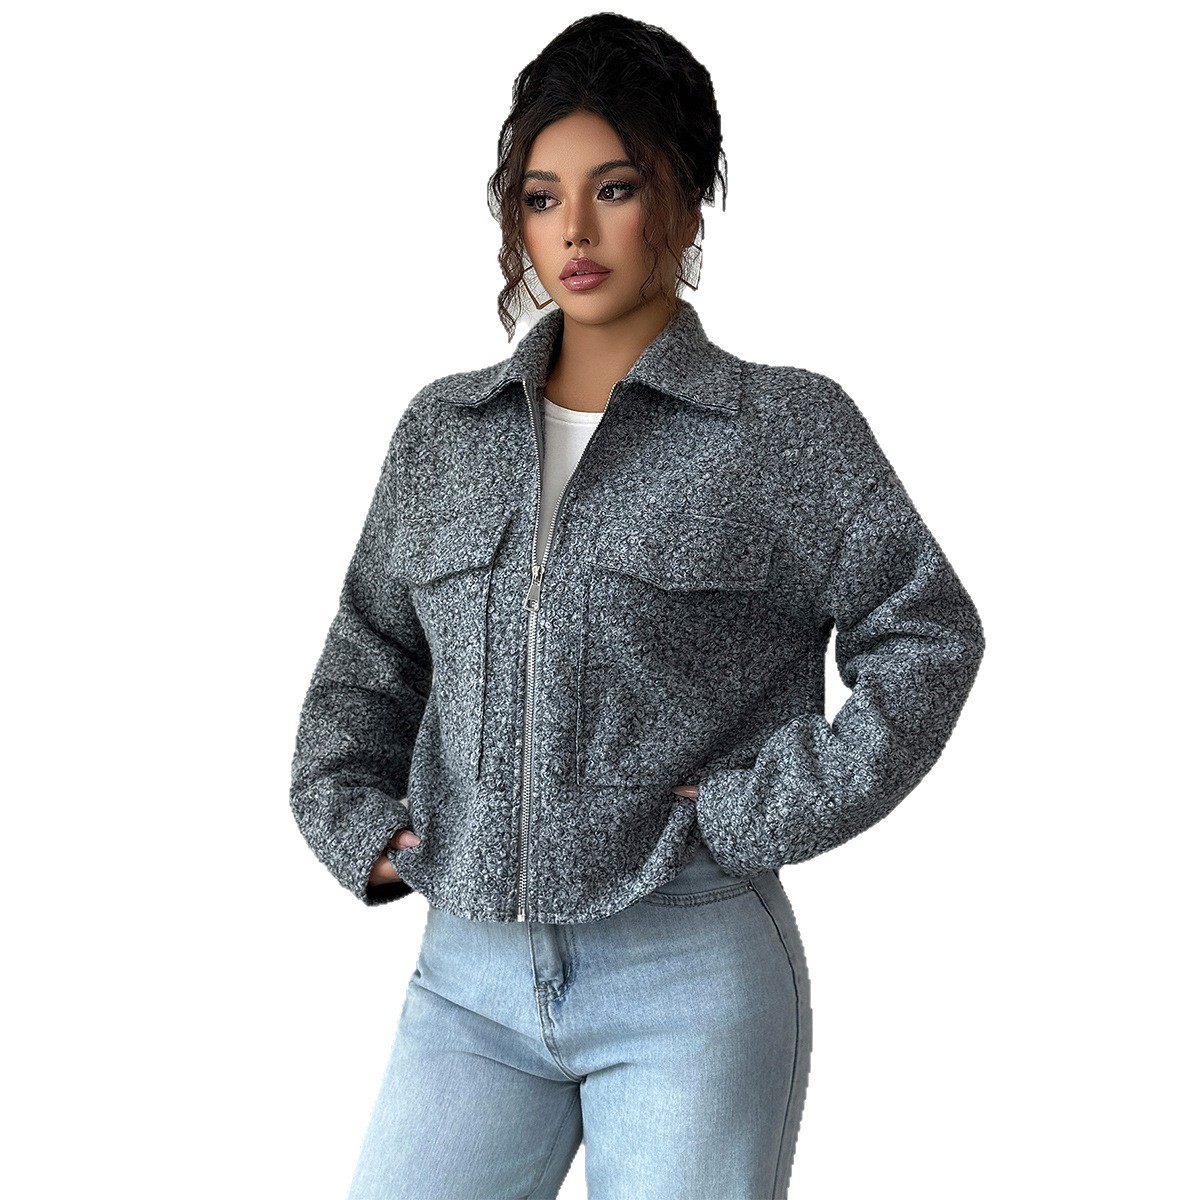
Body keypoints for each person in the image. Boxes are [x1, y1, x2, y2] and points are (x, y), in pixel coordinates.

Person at [288, 13, 985, 1199]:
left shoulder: (784, 430)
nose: (574, 230)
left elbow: (926, 634)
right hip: (465, 982)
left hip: (688, 971)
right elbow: (370, 653)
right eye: (541, 197)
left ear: (686, 200)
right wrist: (360, 826)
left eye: (614, 188)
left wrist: (757, 814)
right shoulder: (444, 433)